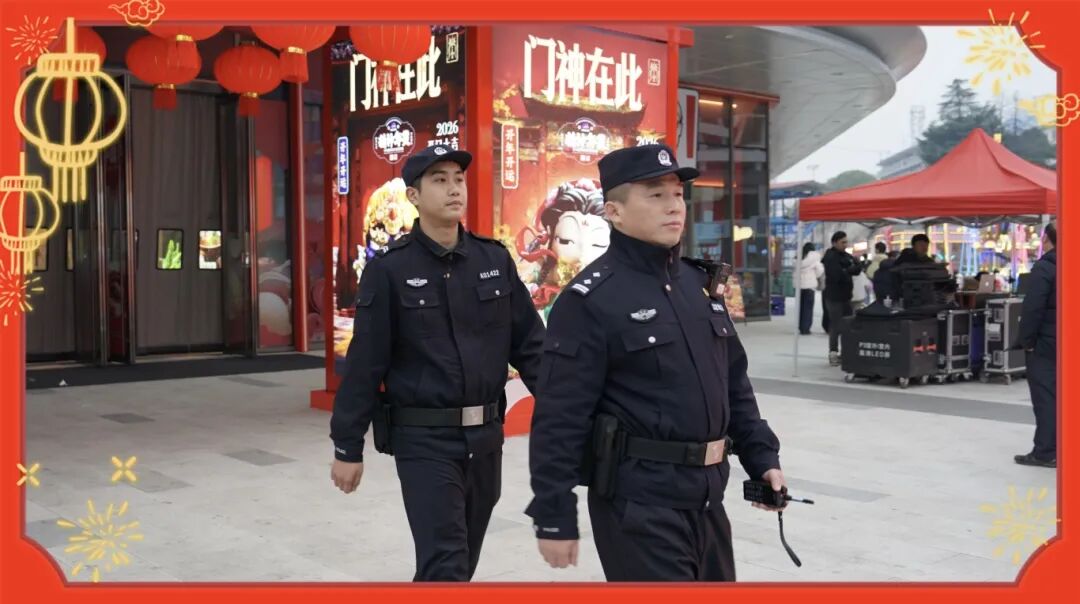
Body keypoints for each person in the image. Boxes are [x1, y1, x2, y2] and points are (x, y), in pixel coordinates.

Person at [526, 144, 787, 582]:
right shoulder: (591, 299)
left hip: (708, 501)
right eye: (655, 195)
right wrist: (553, 512)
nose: (674, 206)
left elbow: (733, 384)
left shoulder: (699, 286)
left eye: (678, 194)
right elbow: (560, 416)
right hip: (638, 507)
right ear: (614, 212)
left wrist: (762, 456)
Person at [329, 145, 546, 581]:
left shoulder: (493, 260)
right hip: (424, 439)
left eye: (458, 179)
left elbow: (532, 348)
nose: (454, 189)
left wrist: (573, 411)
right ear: (413, 195)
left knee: (461, 560)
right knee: (445, 561)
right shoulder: (389, 271)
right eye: (440, 180)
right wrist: (347, 447)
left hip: (486, 437)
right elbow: (365, 365)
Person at [1015, 222, 1056, 468]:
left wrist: (1027, 341)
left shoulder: (1046, 267)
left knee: (1046, 396)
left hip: (1047, 342)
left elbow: (1033, 308)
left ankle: (1046, 452)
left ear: (1047, 240)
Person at [821, 231, 862, 366]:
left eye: (846, 242)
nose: (845, 245)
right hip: (834, 296)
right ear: (834, 243)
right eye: (842, 242)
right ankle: (833, 352)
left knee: (847, 325)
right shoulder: (830, 256)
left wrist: (848, 269)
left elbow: (857, 268)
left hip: (846, 296)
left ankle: (846, 353)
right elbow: (836, 275)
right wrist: (848, 270)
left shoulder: (846, 256)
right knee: (836, 325)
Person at [798, 242, 824, 335]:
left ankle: (801, 327)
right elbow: (820, 271)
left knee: (800, 307)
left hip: (799, 286)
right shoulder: (815, 258)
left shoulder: (798, 258)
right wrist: (813, 276)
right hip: (810, 286)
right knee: (808, 308)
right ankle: (806, 328)